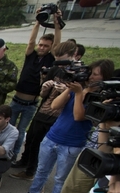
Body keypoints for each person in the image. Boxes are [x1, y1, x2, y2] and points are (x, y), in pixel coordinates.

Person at [14, 59, 114, 193]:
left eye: (96, 75)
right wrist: (69, 89)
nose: (91, 77)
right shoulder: (77, 89)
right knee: (41, 169)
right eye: (91, 72)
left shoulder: (99, 99)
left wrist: (81, 93)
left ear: (104, 77)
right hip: (53, 136)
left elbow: (78, 116)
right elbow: (54, 105)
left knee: (60, 177)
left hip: (72, 144)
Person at [9, 40, 78, 180]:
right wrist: (45, 87)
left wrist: (66, 91)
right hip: (43, 111)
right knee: (32, 140)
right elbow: (43, 94)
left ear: (73, 55)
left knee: (44, 146)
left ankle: (34, 173)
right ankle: (25, 163)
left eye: (62, 61)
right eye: (57, 61)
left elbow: (80, 97)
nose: (60, 65)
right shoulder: (55, 69)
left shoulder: (78, 73)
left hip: (58, 115)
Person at [10, 9, 61, 163]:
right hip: (16, 101)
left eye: (46, 46)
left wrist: (57, 24)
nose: (42, 47)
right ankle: (3, 154)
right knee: (8, 130)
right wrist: (38, 22)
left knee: (20, 133)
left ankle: (13, 156)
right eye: (41, 45)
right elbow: (31, 41)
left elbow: (58, 44)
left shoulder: (50, 60)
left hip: (30, 104)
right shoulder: (30, 55)